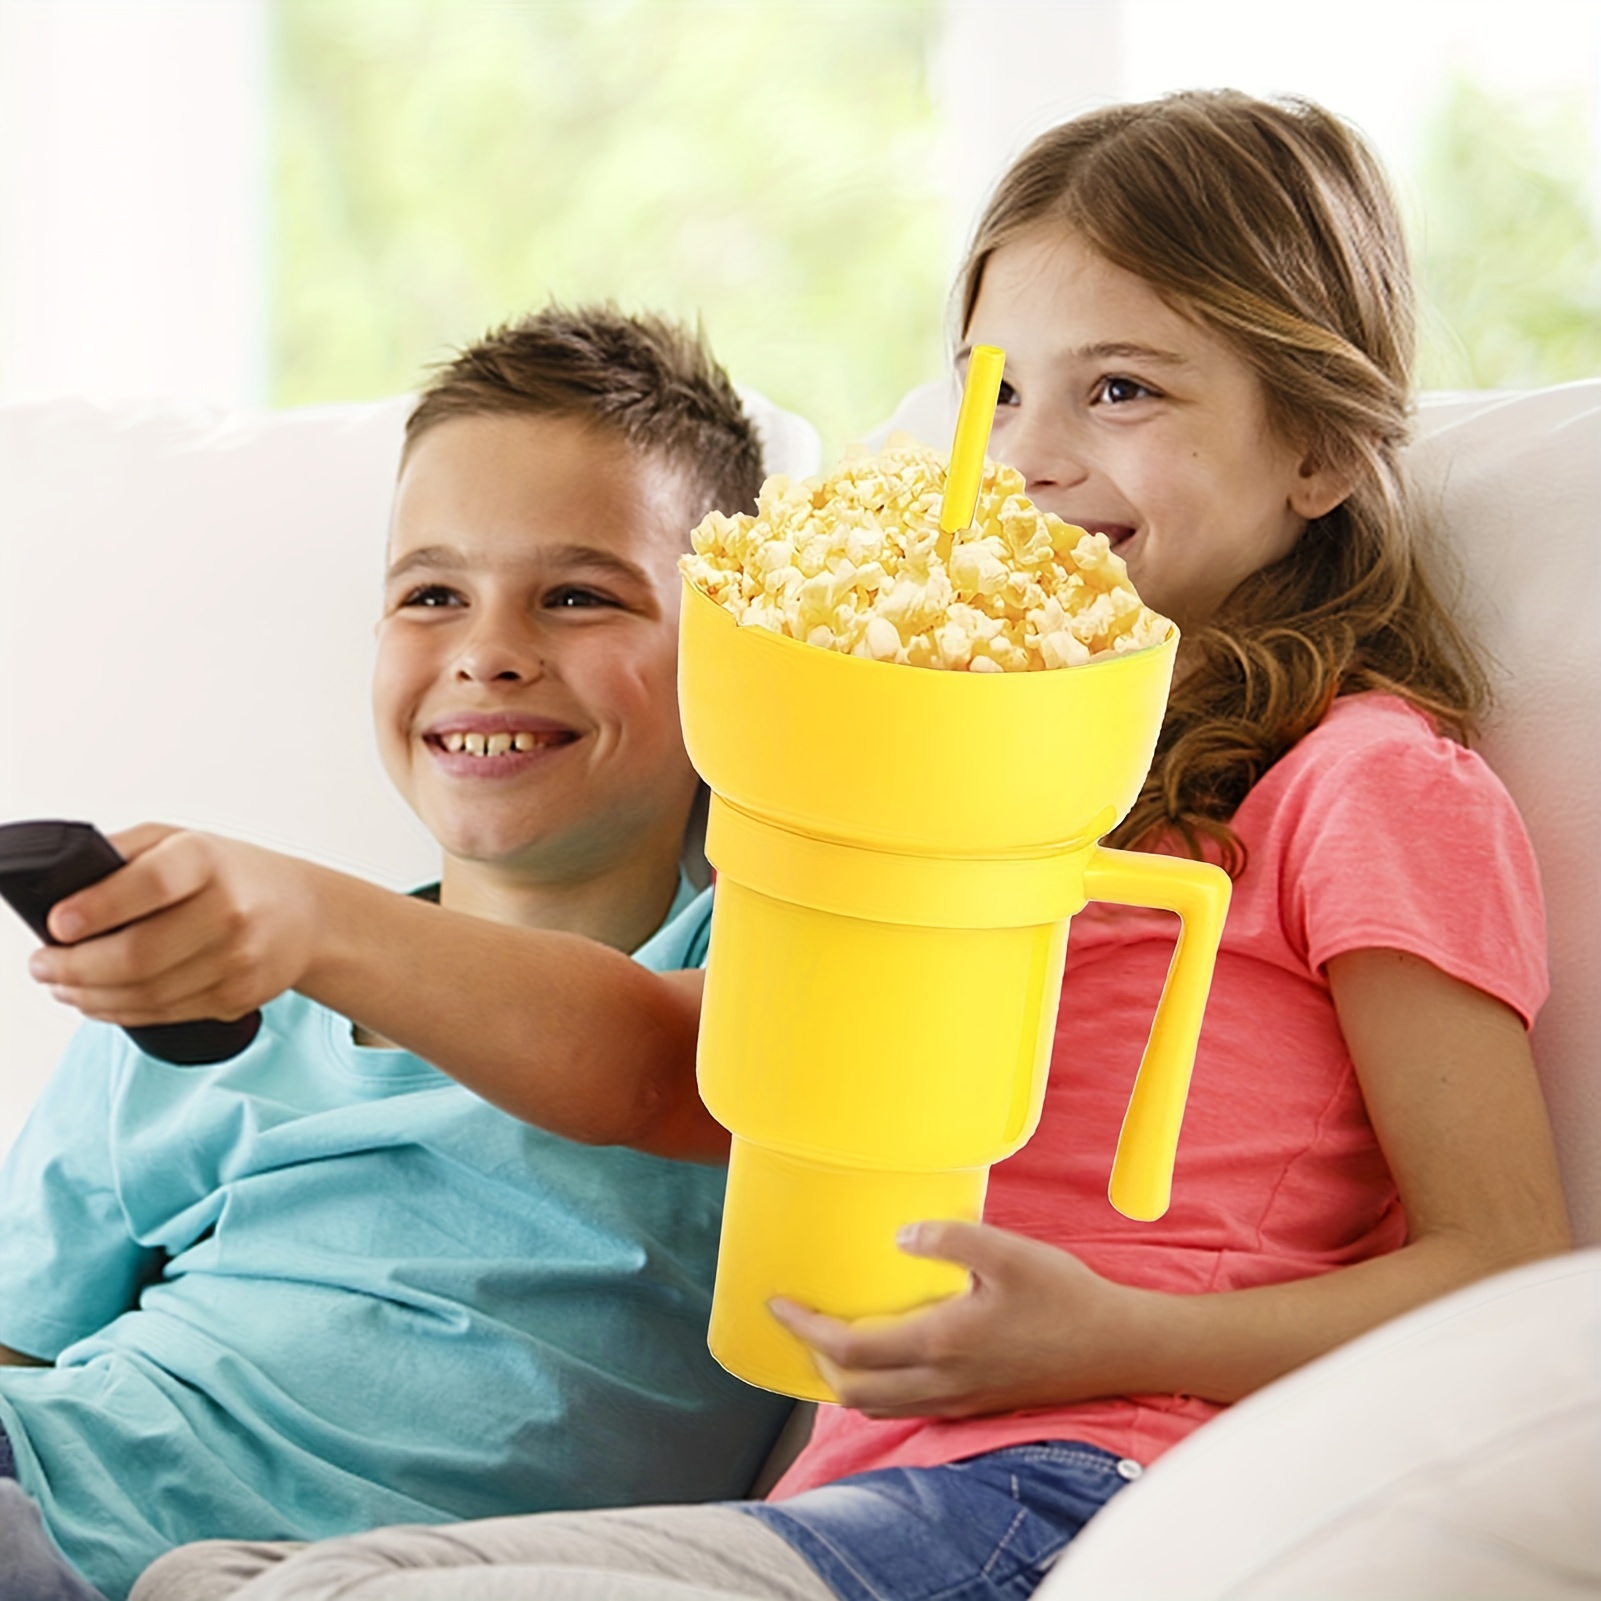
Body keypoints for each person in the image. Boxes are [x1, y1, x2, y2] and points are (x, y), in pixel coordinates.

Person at [134, 89, 1572, 1601]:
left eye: (1124, 392)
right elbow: (671, 1069)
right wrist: (308, 921)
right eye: (994, 393)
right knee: (203, 1580)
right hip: (868, 1495)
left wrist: (1116, 1333)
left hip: (1096, 1484)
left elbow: (1506, 1266)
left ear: (1321, 453)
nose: (1027, 458)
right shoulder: (958, 762)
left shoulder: (1363, 781)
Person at [0, 305, 796, 1601]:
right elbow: (25, 1349)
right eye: (431, 594)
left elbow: (657, 1066)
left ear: (736, 651)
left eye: (578, 593)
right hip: (48, 1479)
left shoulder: (766, 976)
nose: (486, 649)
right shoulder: (207, 980)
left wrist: (309, 922)